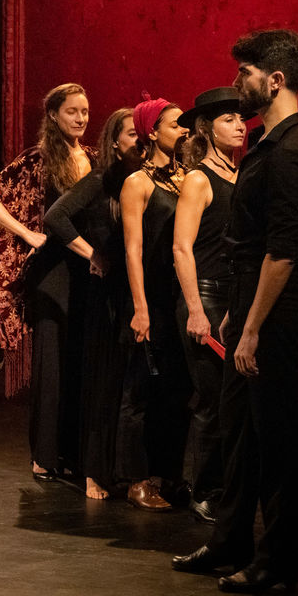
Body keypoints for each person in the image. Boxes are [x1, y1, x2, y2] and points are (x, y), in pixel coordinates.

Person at [172, 29, 298, 593]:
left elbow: (283, 254)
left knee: (277, 437)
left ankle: (277, 564)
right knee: (238, 432)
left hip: (276, 314)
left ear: (275, 80)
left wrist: (253, 327)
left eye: (245, 73)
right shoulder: (265, 145)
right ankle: (229, 540)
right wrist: (236, 314)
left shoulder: (291, 154)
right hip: (249, 304)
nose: (237, 83)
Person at [0, 84, 94, 480]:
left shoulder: (94, 159)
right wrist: (28, 234)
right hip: (53, 271)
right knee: (52, 363)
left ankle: (74, 453)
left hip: (87, 269)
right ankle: (45, 454)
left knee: (79, 360)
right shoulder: (38, 160)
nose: (80, 118)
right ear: (54, 115)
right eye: (72, 111)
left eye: (85, 112)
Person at [42, 107, 137, 499]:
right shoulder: (100, 179)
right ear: (115, 141)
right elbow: (56, 217)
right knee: (101, 380)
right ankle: (92, 471)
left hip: (132, 288)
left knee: (128, 386)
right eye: (131, 134)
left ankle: (121, 467)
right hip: (104, 291)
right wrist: (92, 254)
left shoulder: (140, 180)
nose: (139, 141)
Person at [171, 87, 247, 523]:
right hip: (205, 295)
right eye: (228, 119)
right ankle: (205, 490)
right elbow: (182, 248)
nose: (239, 126)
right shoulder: (199, 179)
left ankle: (227, 486)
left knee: (233, 400)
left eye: (241, 118)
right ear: (206, 128)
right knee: (212, 400)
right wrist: (196, 309)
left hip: (234, 298)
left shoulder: (241, 174)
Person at [116, 97, 191, 511]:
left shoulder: (186, 178)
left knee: (176, 391)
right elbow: (133, 249)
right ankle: (137, 479)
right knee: (141, 389)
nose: (183, 130)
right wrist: (140, 307)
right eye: (175, 124)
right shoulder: (138, 183)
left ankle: (169, 475)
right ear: (152, 131)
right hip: (151, 296)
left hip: (179, 297)